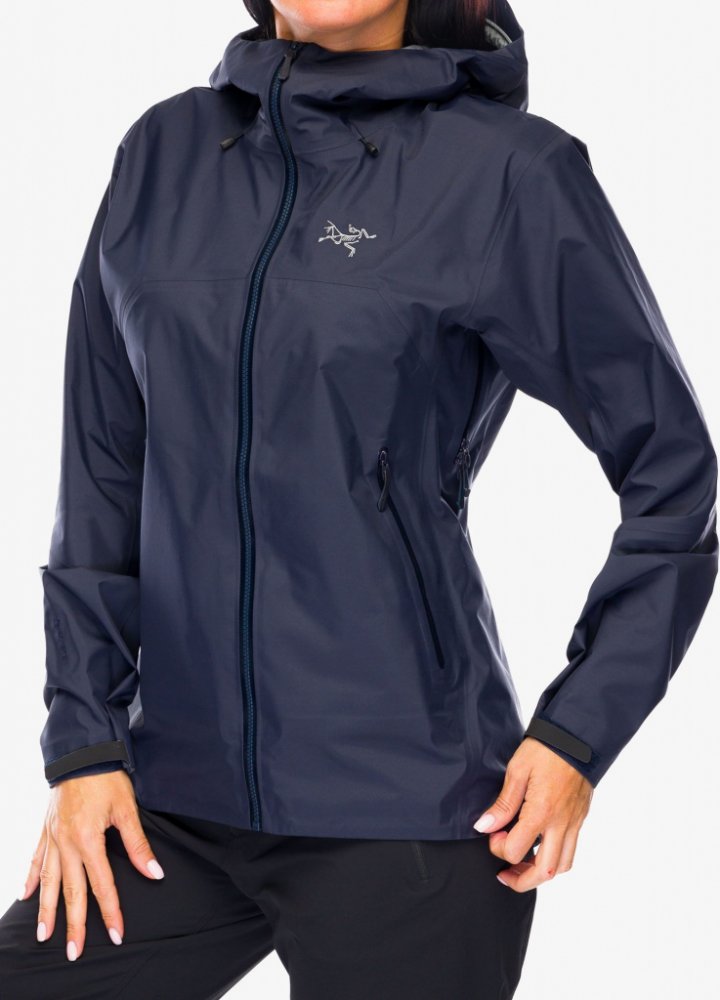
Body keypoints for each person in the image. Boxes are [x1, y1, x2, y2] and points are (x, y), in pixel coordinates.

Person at [0, 0, 717, 997]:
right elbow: (102, 474)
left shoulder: (506, 174)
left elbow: (676, 477)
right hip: (169, 799)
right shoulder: (163, 153)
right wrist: (83, 745)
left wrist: (578, 736)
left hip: (407, 814)